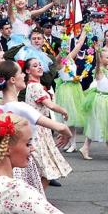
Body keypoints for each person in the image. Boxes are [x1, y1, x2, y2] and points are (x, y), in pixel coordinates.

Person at [0, 60, 72, 194]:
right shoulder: (21, 107)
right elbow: (60, 127)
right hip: (22, 160)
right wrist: (68, 135)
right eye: (21, 72)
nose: (23, 76)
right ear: (13, 79)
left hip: (8, 160)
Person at [22, 58, 72, 190]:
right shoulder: (35, 86)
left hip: (40, 127)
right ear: (28, 71)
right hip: (38, 128)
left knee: (43, 166)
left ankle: (38, 197)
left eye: (39, 65)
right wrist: (64, 111)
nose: (39, 67)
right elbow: (49, 105)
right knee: (44, 166)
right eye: (34, 66)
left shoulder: (34, 85)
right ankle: (38, 198)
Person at [80, 48, 108, 161]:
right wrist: (97, 53)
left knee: (102, 124)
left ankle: (85, 147)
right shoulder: (99, 71)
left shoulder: (106, 70)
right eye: (107, 57)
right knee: (103, 124)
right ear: (100, 59)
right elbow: (98, 68)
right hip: (100, 101)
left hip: (106, 99)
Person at [54, 28, 88, 152]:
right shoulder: (59, 61)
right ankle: (69, 141)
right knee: (67, 118)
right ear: (59, 48)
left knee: (72, 118)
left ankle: (73, 143)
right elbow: (59, 57)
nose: (67, 48)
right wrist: (63, 36)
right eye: (64, 46)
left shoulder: (70, 57)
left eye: (67, 45)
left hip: (75, 88)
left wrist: (84, 31)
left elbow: (79, 44)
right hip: (65, 90)